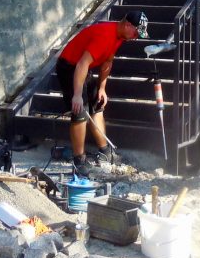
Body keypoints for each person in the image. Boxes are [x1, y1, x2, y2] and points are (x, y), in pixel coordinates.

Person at [56, 10, 148, 176]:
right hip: (70, 67)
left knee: (97, 106)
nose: (136, 37)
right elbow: (82, 64)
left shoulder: (120, 37)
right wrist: (77, 95)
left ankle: (105, 151)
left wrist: (102, 88)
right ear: (127, 25)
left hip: (84, 68)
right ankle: (79, 160)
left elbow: (108, 62)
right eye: (136, 32)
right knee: (80, 112)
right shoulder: (105, 35)